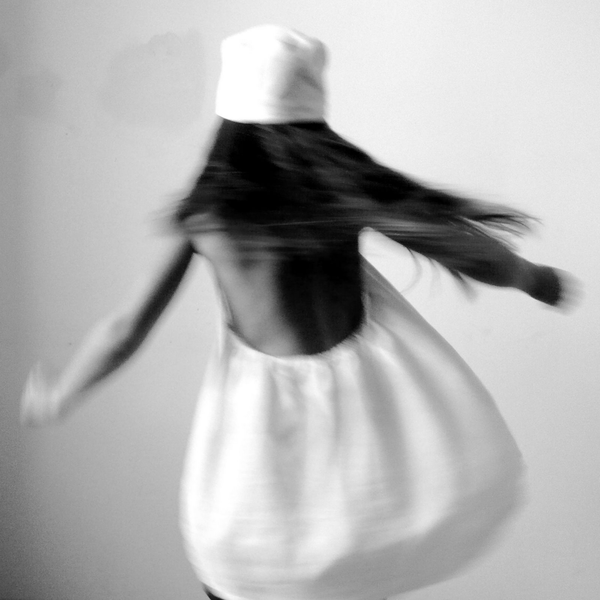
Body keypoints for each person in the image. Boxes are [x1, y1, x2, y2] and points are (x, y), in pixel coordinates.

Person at [22, 25, 572, 600]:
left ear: (227, 119)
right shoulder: (342, 196)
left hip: (260, 449)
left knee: (242, 575)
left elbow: (125, 329)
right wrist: (533, 278)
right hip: (364, 444)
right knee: (354, 574)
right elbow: (462, 247)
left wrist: (60, 393)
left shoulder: (208, 218)